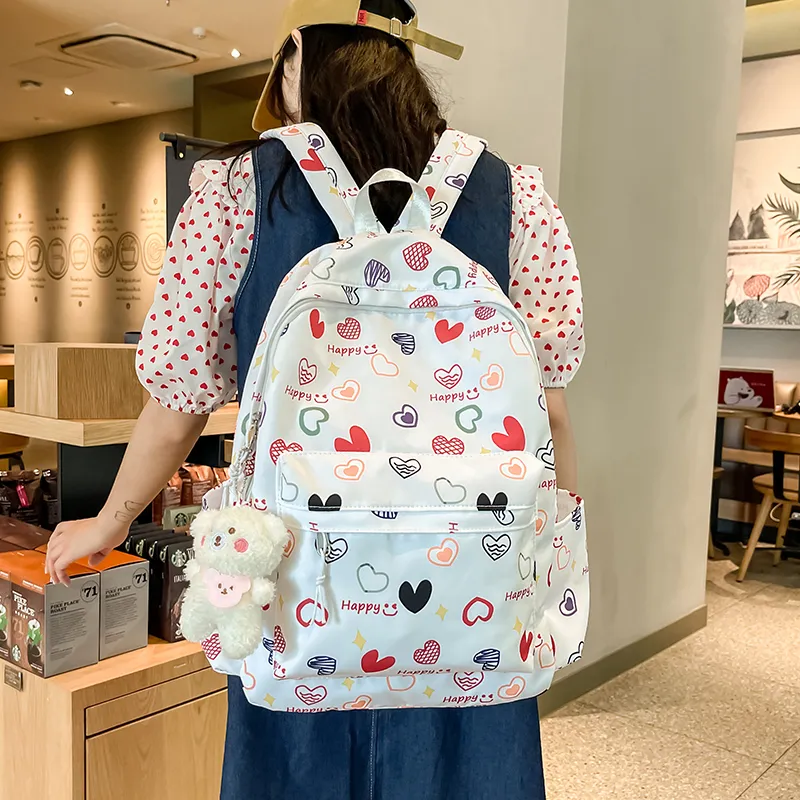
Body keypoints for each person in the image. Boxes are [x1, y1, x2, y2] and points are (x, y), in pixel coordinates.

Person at [45, 1, 584, 797]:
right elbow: (551, 405)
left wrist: (111, 520)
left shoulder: (237, 192)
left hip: (299, 573)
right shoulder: (514, 197)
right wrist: (555, 546)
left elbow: (179, 397)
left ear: (298, 59)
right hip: (473, 566)